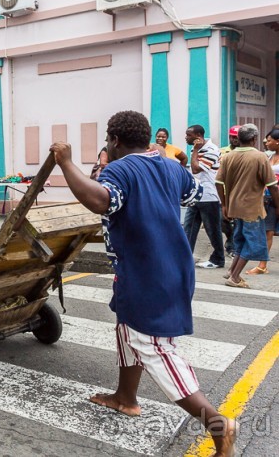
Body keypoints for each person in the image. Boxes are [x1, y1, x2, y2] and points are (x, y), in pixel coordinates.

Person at [50, 110, 236, 457]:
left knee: (153, 346)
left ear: (115, 140)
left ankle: (217, 424)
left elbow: (102, 201)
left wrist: (66, 163)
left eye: (108, 140)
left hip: (146, 270)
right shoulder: (171, 167)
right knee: (127, 328)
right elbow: (193, 195)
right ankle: (125, 397)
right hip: (171, 265)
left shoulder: (119, 169)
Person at [216, 124, 279, 289]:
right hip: (252, 208)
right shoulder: (259, 157)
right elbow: (272, 186)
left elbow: (218, 182)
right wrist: (278, 206)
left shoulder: (228, 156)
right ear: (254, 139)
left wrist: (224, 204)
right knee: (253, 243)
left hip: (234, 206)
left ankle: (231, 271)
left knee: (241, 240)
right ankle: (235, 276)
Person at [183, 125, 225, 269]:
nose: (186, 137)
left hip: (209, 196)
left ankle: (218, 259)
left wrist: (195, 150)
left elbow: (195, 169)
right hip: (196, 194)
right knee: (189, 228)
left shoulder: (211, 150)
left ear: (198, 136)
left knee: (212, 229)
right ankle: (185, 257)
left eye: (189, 135)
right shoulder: (197, 148)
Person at [239, 128, 279, 275]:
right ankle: (262, 265)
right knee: (268, 230)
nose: (266, 143)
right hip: (268, 197)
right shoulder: (269, 156)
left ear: (278, 142)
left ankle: (262, 265)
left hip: (275, 196)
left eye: (269, 141)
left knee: (268, 231)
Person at [219, 126, 241, 257]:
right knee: (223, 220)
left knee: (238, 221)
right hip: (223, 192)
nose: (234, 139)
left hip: (239, 193)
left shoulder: (246, 153)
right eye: (232, 137)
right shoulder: (222, 152)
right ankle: (230, 238)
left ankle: (233, 246)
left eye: (236, 137)